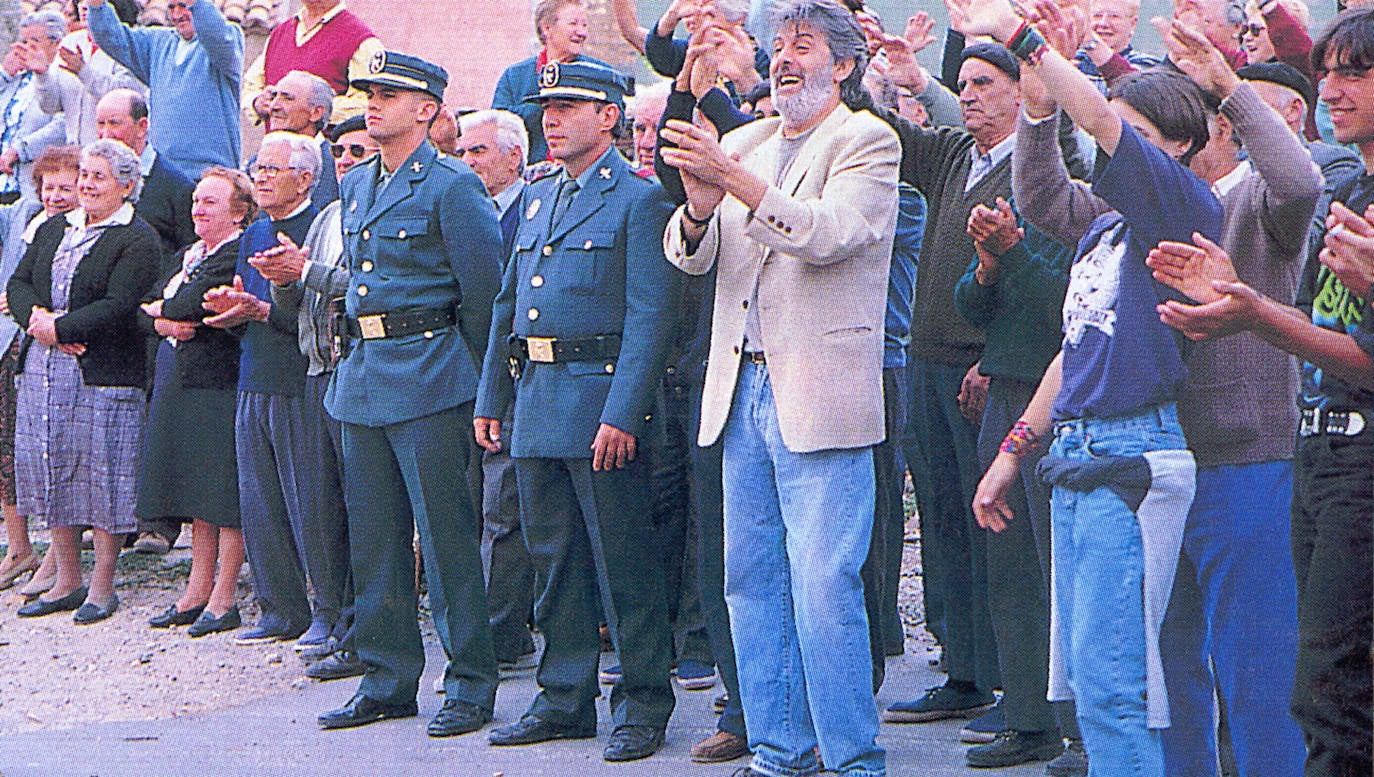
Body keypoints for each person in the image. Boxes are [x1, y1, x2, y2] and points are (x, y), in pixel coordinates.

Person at [960, 0, 1223, 772]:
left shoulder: (1181, 208)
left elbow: (1101, 127)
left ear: (1177, 149)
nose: (1118, 155)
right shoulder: (1107, 228)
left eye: (1138, 141)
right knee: (1086, 679)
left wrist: (1024, 41)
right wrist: (1014, 452)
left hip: (1132, 452)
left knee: (1114, 686)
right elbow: (1072, 344)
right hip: (1076, 450)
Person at [660, 0, 898, 773]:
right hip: (741, 392)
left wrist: (732, 180)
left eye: (804, 46)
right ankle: (778, 750)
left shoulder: (866, 140)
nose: (786, 59)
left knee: (826, 586)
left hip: (818, 392)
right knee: (751, 584)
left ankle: (853, 756)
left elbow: (828, 234)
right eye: (778, 47)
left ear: (846, 64)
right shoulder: (748, 139)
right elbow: (694, 256)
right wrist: (698, 210)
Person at [1144, 9, 1374, 773]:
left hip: (1321, 461)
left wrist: (1251, 310)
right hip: (1314, 452)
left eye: (1354, 73)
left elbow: (1294, 177)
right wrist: (1251, 303)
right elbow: (1321, 323)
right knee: (1315, 688)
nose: (1332, 91)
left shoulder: (1292, 193)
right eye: (1328, 72)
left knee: (1319, 689)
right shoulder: (1361, 194)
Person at [476, 59, 679, 764]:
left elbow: (651, 317)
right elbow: (509, 303)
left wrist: (624, 412)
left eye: (569, 105)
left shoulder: (638, 199)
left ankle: (644, 699)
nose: (552, 118)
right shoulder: (538, 197)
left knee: (623, 560)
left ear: (610, 117)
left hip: (600, 404)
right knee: (553, 559)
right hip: (538, 396)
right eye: (547, 107)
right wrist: (492, 396)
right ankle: (564, 695)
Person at [316, 51, 503, 740]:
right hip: (365, 375)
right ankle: (388, 676)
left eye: (390, 94)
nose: (374, 104)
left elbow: (483, 296)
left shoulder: (453, 185)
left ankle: (470, 680)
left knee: (448, 540)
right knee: (376, 541)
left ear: (427, 109)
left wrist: (490, 393)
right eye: (369, 93)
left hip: (431, 374)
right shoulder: (360, 182)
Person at [9, 138, 160, 624]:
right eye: (85, 175)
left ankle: (102, 585)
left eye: (99, 176)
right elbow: (19, 282)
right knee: (53, 469)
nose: (87, 184)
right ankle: (67, 578)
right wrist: (39, 322)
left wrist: (62, 328)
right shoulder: (55, 227)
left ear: (127, 184)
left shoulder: (138, 238)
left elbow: (120, 305)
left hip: (104, 373)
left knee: (103, 477)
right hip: (44, 370)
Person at [246, 116, 373, 679]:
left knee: (362, 509)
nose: (344, 160)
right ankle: (338, 617)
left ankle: (362, 626)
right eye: (340, 151)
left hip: (366, 370)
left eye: (357, 151)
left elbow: (380, 289)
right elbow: (306, 303)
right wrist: (282, 280)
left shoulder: (385, 213)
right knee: (322, 504)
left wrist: (307, 272)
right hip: (324, 370)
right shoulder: (328, 216)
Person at [200, 131, 331, 650]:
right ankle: (280, 607)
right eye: (258, 168)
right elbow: (249, 303)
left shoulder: (317, 229)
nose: (261, 178)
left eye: (273, 169)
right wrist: (231, 307)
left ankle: (328, 610)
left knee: (311, 504)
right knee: (260, 502)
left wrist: (262, 310)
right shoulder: (255, 232)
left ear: (304, 177)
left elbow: (309, 311)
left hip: (298, 378)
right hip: (253, 373)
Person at [138, 167, 255, 637]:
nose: (197, 210)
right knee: (195, 488)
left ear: (238, 211)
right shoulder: (191, 253)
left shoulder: (233, 253)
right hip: (180, 378)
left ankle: (224, 595)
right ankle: (196, 587)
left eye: (209, 203)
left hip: (217, 380)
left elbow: (188, 304)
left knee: (221, 488)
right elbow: (148, 304)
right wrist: (162, 320)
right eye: (195, 202)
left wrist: (164, 314)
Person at [454, 107, 540, 676]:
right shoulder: (463, 212)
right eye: (462, 153)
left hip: (521, 379)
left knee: (505, 510)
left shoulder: (533, 211)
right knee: (480, 508)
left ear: (515, 156)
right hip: (464, 379)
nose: (467, 163)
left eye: (478, 152)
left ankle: (504, 633)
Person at [0, 144, 78, 593]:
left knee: (53, 450)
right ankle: (19, 546)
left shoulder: (80, 231)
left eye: (66, 187)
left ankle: (55, 555)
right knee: (8, 447)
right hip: (12, 342)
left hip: (51, 345)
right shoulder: (25, 219)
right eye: (49, 187)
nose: (56, 195)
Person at [87, 0, 243, 177]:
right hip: (165, 175)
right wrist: (96, 5)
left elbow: (216, 35)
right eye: (171, 7)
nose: (177, 14)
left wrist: (197, 5)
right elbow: (113, 38)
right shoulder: (157, 42)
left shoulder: (229, 37)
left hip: (214, 175)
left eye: (184, 6)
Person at [491, 0, 610, 163]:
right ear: (546, 28)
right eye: (573, 23)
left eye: (584, 25)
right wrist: (539, 108)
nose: (581, 32)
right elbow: (497, 130)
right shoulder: (515, 76)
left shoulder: (599, 74)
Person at [241, 0, 382, 126]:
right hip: (275, 149)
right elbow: (250, 86)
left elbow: (369, 104)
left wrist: (310, 109)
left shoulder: (362, 41)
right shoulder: (279, 33)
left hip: (325, 151)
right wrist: (257, 102)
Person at [31, 0, 143, 148]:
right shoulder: (70, 42)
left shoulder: (130, 43)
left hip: (112, 153)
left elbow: (126, 96)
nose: (84, 6)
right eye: (80, 1)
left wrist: (83, 72)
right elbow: (50, 107)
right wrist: (43, 76)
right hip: (75, 155)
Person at [0, 11, 68, 203]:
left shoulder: (62, 77)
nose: (26, 48)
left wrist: (19, 150)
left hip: (29, 188)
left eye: (34, 42)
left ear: (55, 43)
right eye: (23, 42)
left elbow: (62, 124)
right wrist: (4, 75)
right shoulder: (14, 77)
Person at [257, 70, 338, 208]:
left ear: (316, 113)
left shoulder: (336, 166)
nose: (274, 106)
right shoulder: (256, 163)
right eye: (273, 97)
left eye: (287, 98)